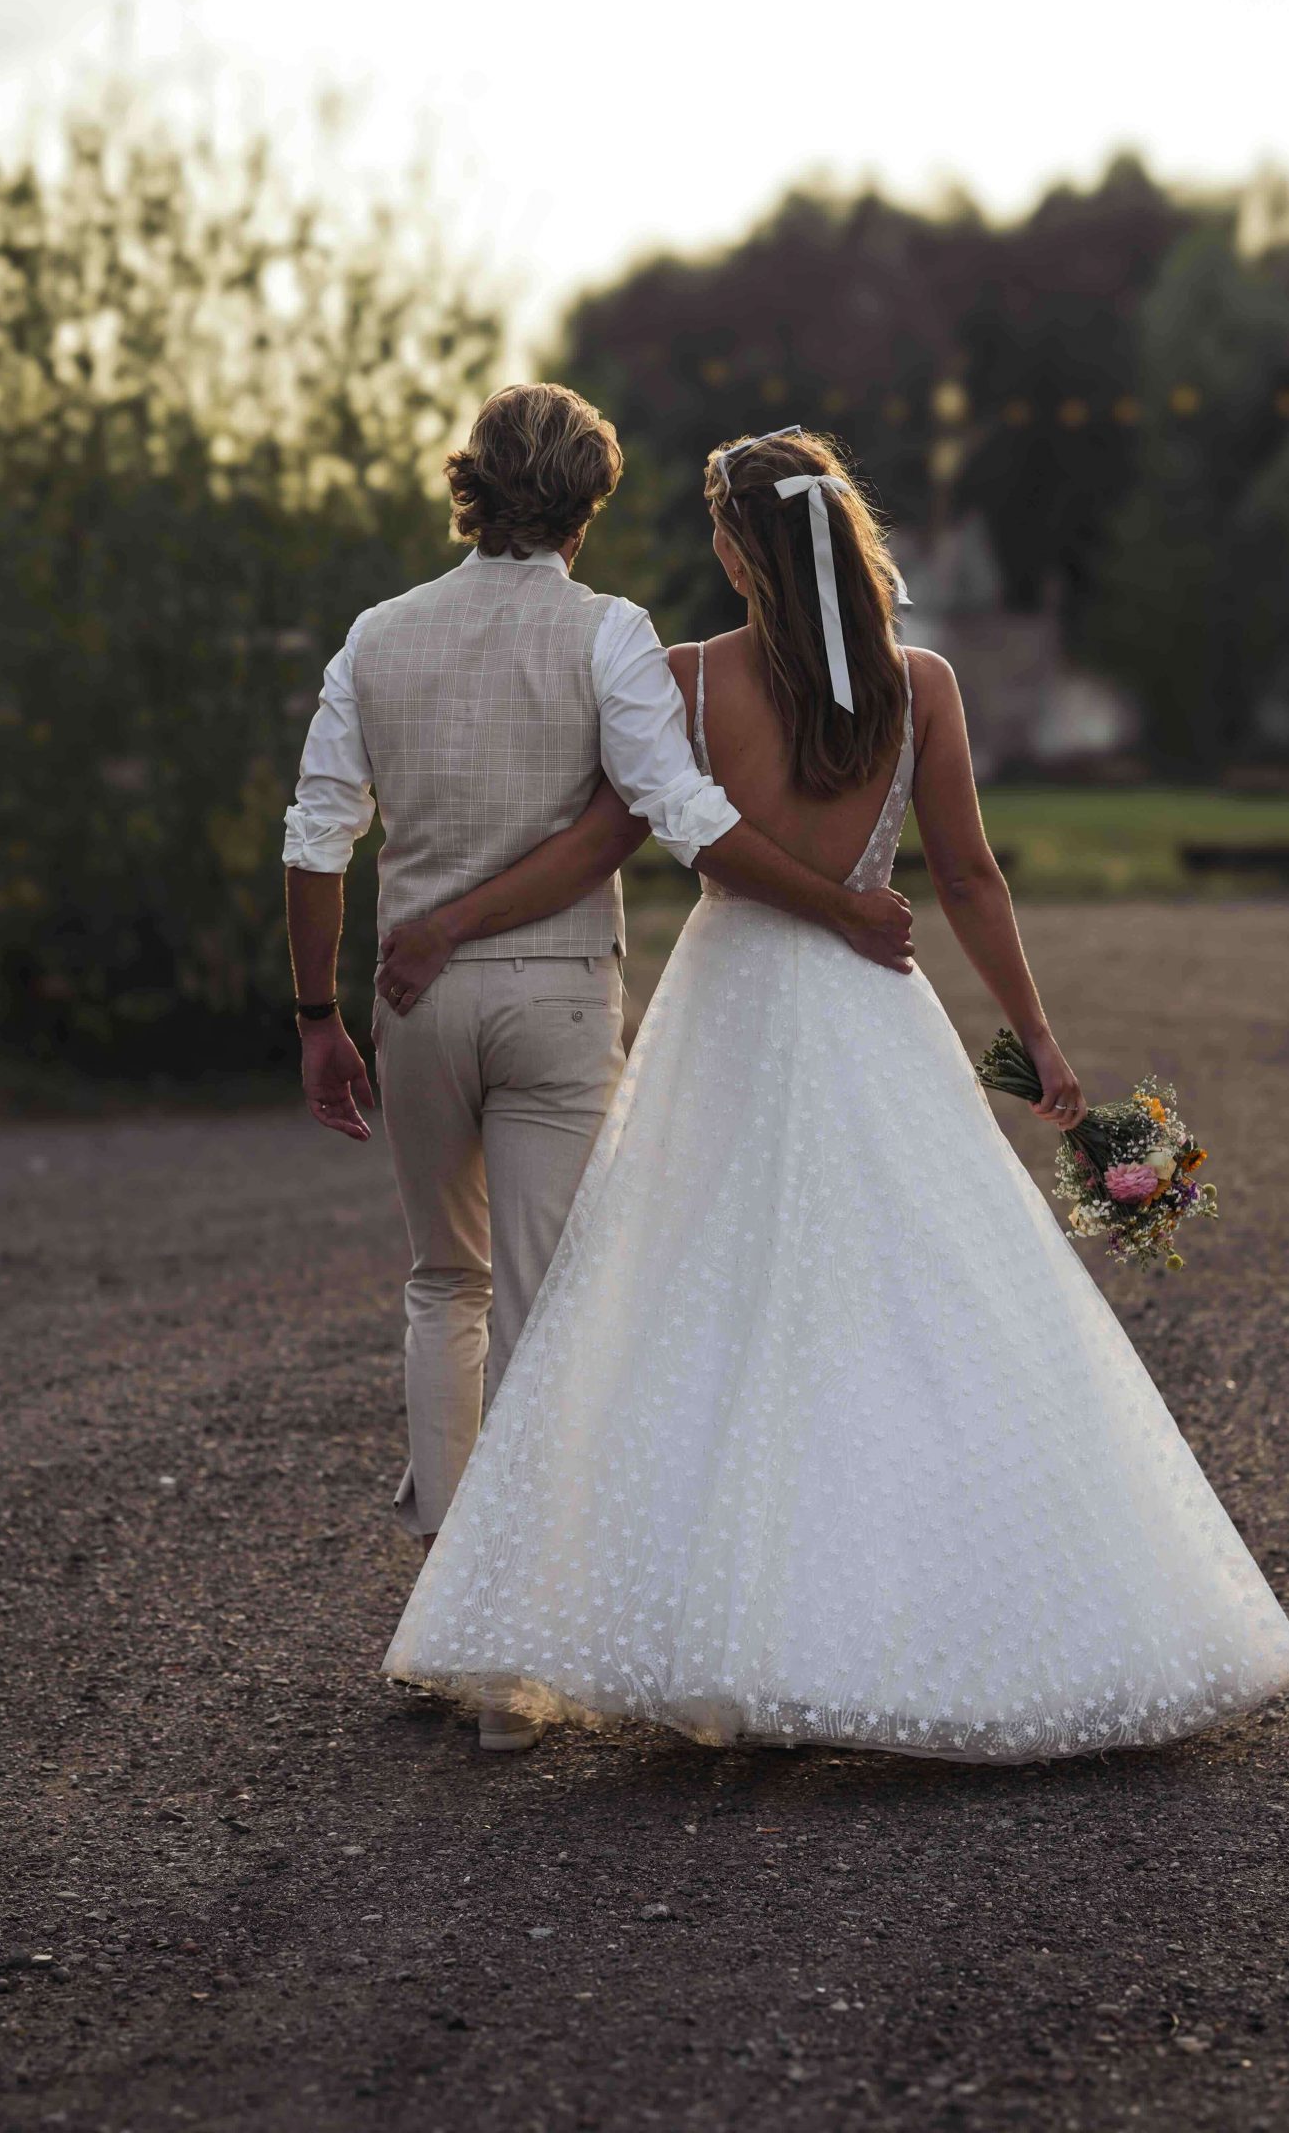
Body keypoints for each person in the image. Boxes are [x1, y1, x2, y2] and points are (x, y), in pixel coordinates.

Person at [383, 426, 1289, 1761]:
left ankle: (718, 1629)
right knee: (922, 1305)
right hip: (871, 1006)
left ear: (732, 546)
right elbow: (972, 877)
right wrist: (1037, 1046)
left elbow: (600, 842)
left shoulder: (688, 680)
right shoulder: (919, 685)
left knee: (695, 1306)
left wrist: (449, 921)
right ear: (843, 539)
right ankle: (921, 1617)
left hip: (730, 1010)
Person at [282, 386, 914, 1750]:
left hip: (413, 1004)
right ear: (587, 505)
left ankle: (450, 1615)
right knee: (549, 1305)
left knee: (442, 1283)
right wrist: (843, 901)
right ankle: (510, 1665)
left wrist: (315, 1015)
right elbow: (676, 816)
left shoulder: (377, 638)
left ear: (467, 488)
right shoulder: (610, 634)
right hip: (557, 1000)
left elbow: (316, 835)